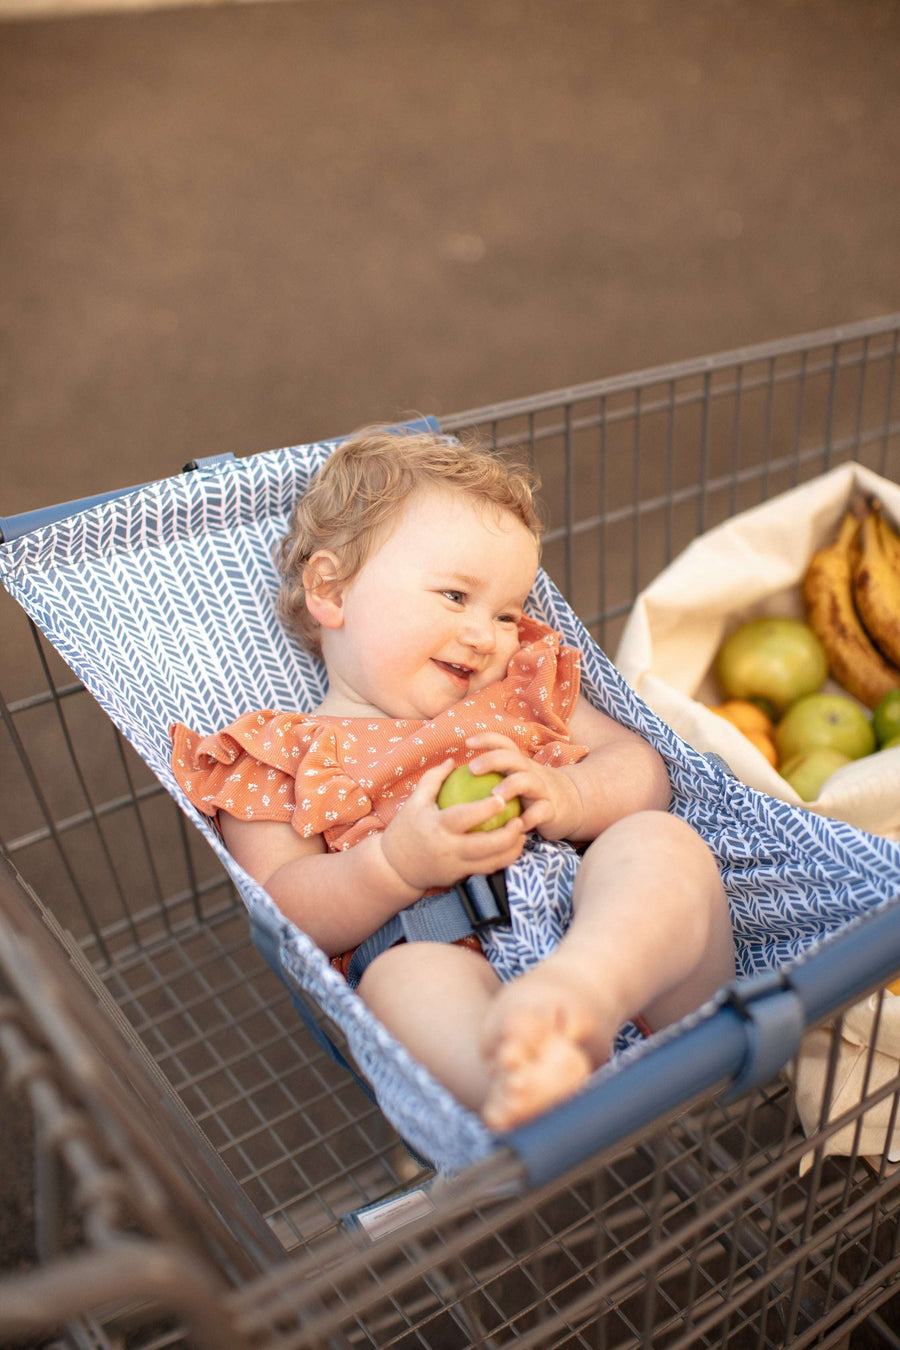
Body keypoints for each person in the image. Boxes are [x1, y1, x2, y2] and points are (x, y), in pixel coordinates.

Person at [171, 427, 735, 1130]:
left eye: (506, 613)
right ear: (331, 588)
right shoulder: (275, 757)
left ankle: (580, 997)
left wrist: (571, 794)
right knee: (398, 982)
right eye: (455, 596)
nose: (488, 634)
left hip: (624, 956)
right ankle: (520, 1078)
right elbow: (285, 907)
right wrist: (392, 864)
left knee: (657, 842)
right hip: (438, 952)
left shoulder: (518, 685)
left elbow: (642, 770)